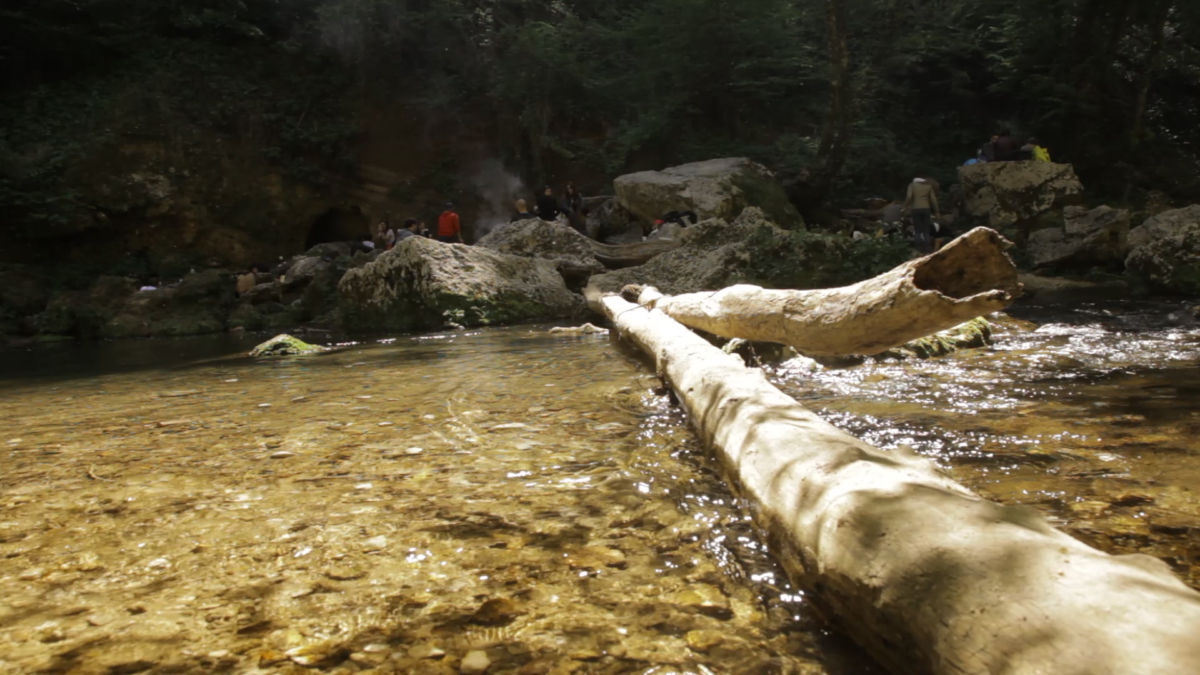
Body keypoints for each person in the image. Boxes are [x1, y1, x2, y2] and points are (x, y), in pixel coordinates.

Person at [903, 175, 940, 255]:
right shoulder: (928, 186)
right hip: (926, 209)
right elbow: (933, 200)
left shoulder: (912, 185)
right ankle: (928, 249)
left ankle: (918, 250)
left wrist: (904, 206)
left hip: (916, 209)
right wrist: (937, 212)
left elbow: (909, 196)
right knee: (926, 231)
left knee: (918, 231)